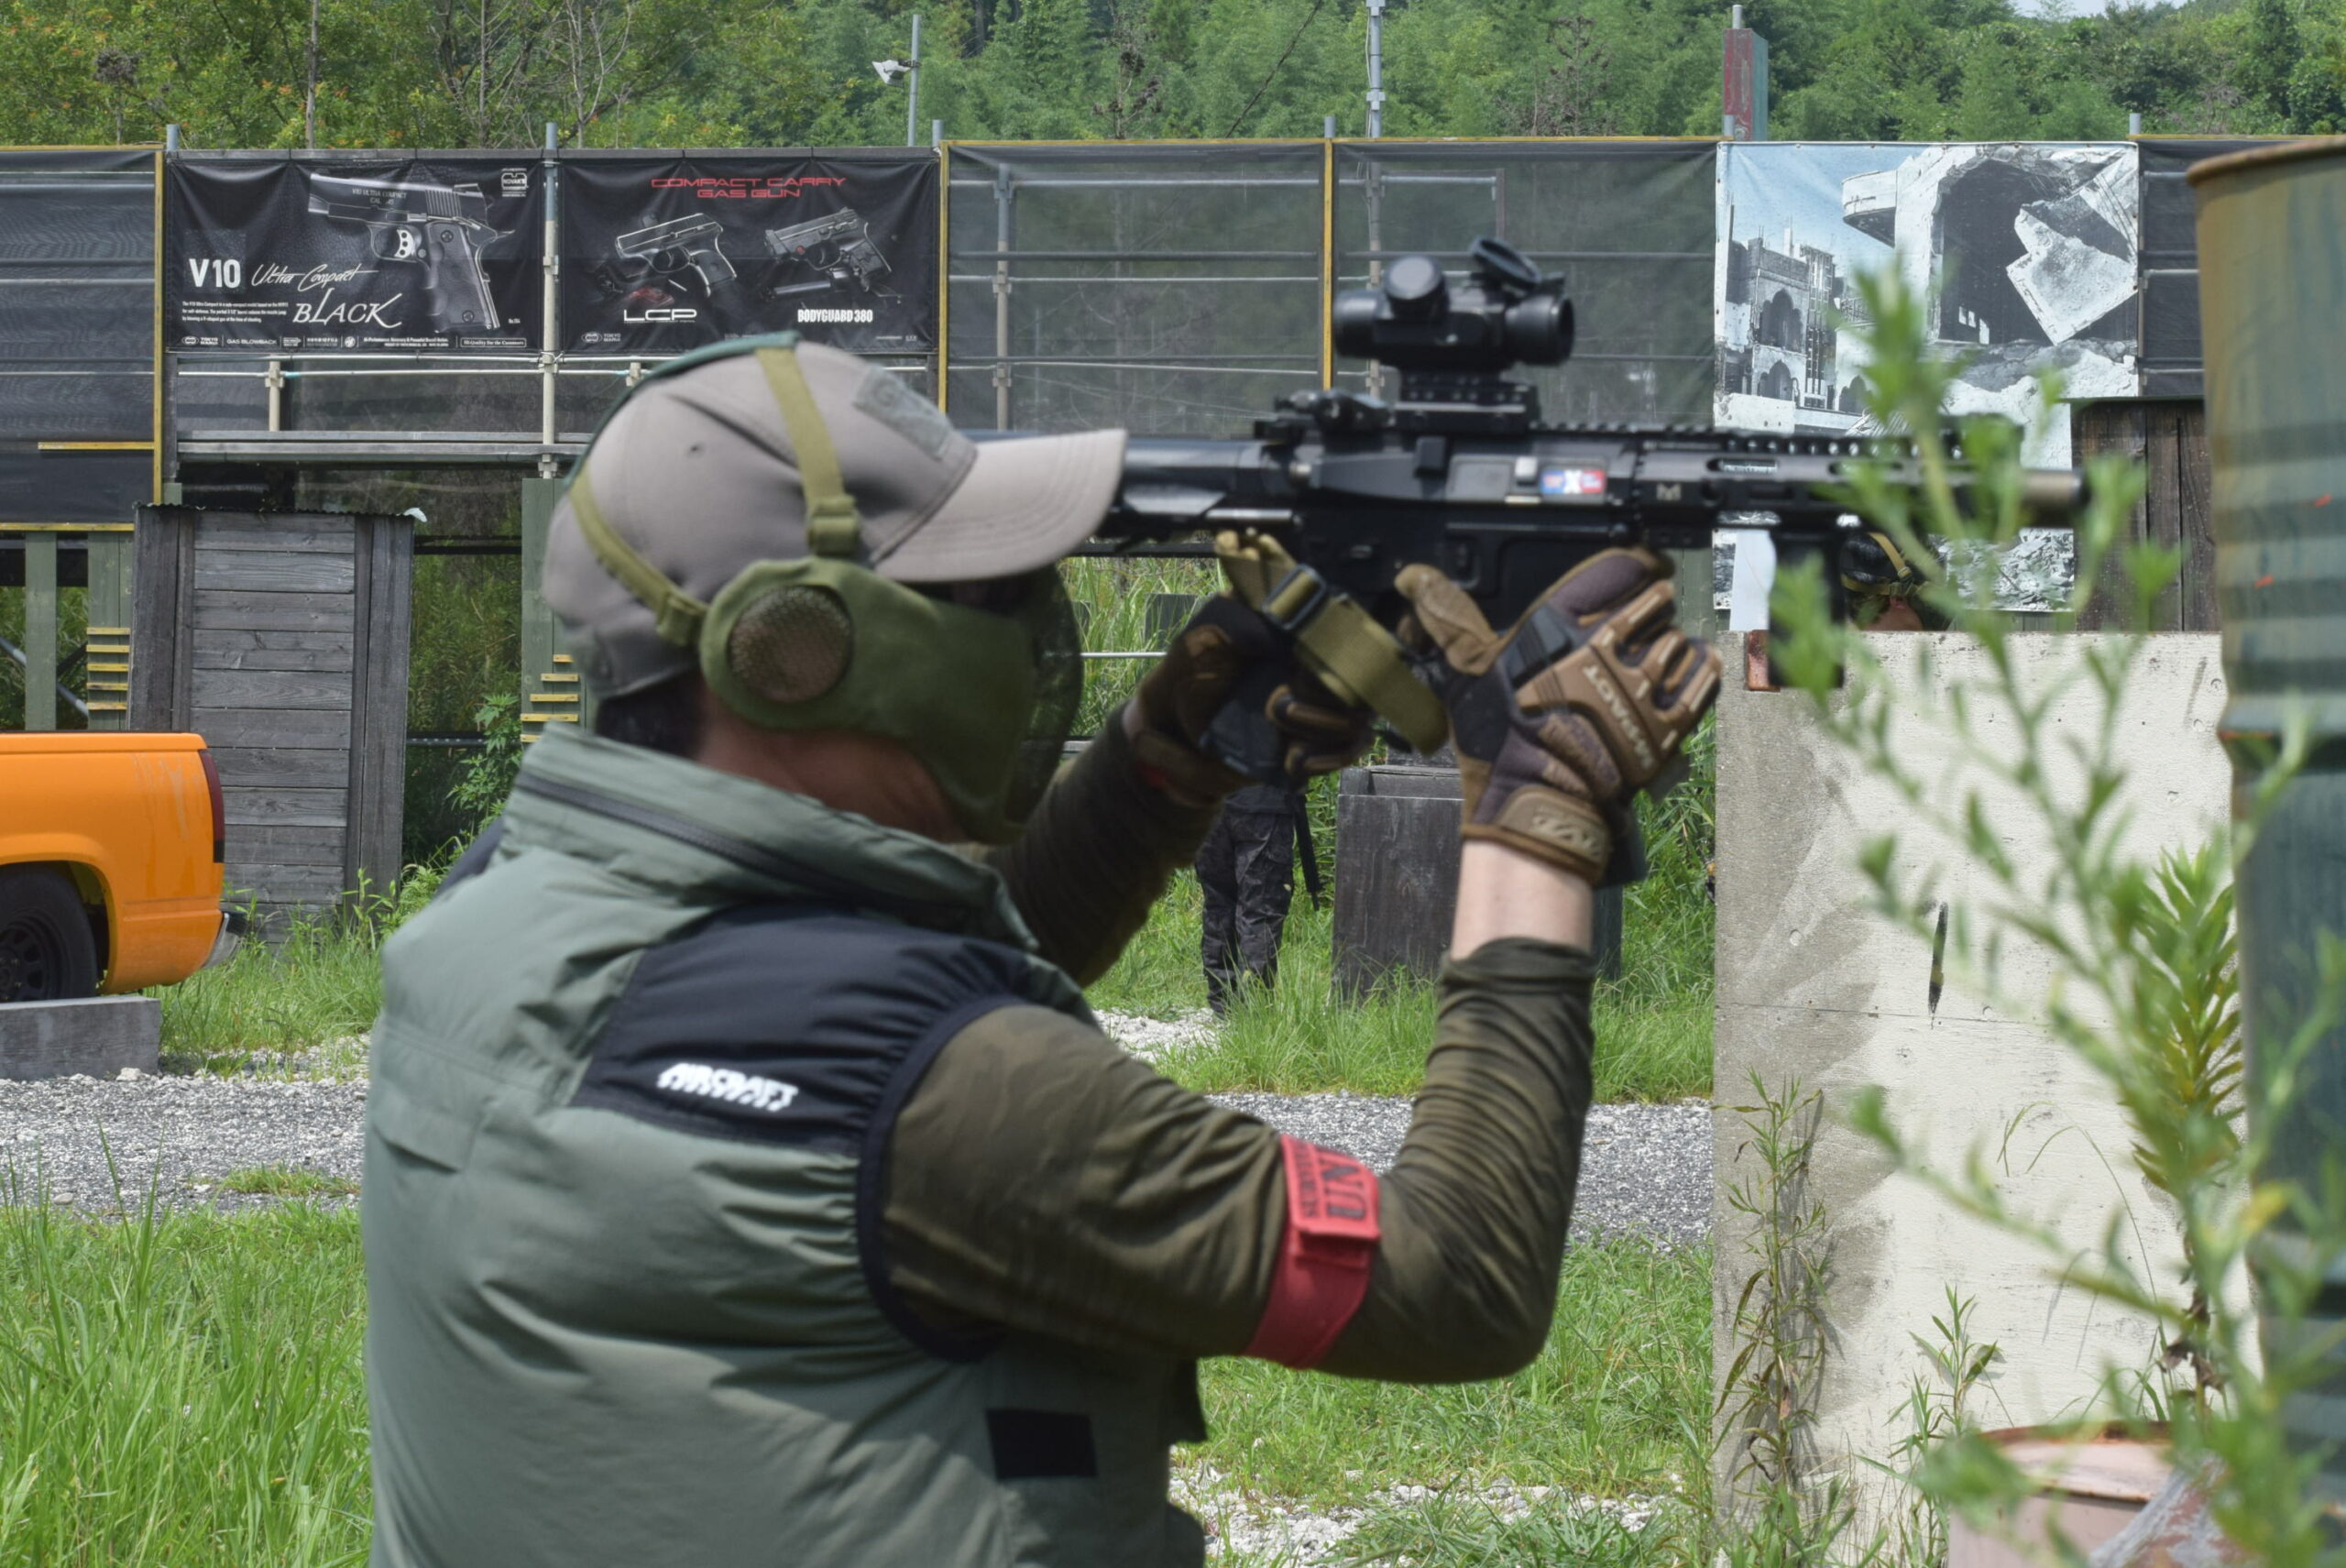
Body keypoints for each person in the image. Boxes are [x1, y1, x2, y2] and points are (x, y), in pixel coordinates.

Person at [362, 334, 1721, 1568]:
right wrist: (1540, 804)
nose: (1024, 622)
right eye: (982, 591)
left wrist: (1170, 751)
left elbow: (879, 1014)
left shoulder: (504, 911)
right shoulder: (933, 1097)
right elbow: (1457, 1277)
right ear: (797, 649)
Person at [1194, 781, 1299, 1014]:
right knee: (1260, 909)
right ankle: (1253, 1008)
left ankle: (1223, 1003)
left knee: (1218, 905)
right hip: (1263, 805)